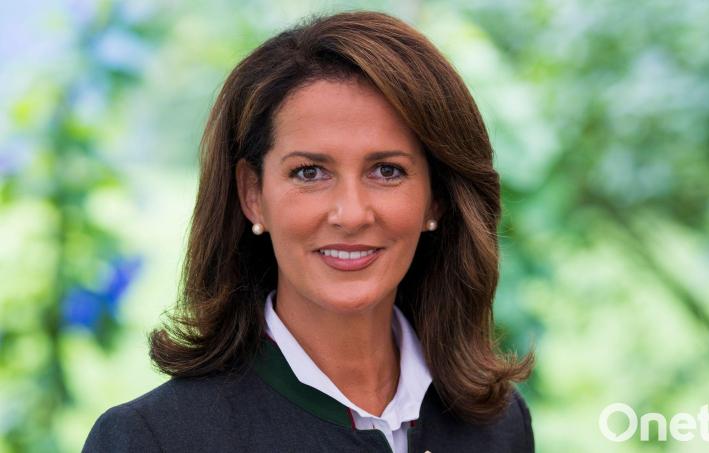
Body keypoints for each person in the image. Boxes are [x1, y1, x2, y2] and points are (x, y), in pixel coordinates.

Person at [83, 10, 535, 453]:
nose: (351, 214)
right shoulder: (153, 440)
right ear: (253, 194)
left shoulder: (498, 426)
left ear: (435, 198)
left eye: (387, 170)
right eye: (309, 172)